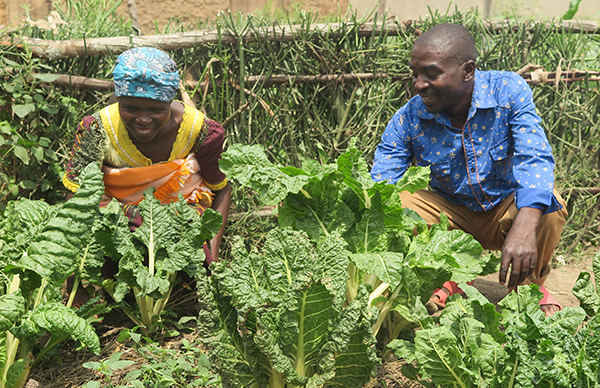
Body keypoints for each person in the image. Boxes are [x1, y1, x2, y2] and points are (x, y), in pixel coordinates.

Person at [370, 23, 568, 317]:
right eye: (416, 74)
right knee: (392, 203)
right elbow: (381, 183)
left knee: (548, 207)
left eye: (431, 73)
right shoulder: (408, 119)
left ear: (468, 70)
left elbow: (535, 156)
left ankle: (528, 289)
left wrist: (525, 223)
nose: (419, 84)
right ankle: (451, 279)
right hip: (449, 215)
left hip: (504, 209)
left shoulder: (508, 92)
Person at [63, 47, 232, 269]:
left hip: (181, 221)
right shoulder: (97, 130)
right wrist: (76, 271)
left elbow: (221, 188)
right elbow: (77, 196)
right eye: (131, 108)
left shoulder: (198, 131)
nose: (143, 119)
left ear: (170, 102)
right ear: (118, 99)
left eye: (156, 110)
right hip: (117, 223)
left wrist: (212, 257)